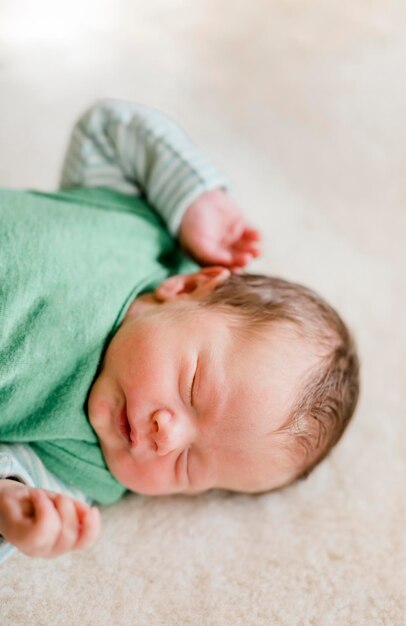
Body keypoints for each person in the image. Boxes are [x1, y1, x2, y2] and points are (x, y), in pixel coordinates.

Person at [0, 99, 359, 561]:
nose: (164, 437)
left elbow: (18, 484)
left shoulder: (82, 468)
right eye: (191, 387)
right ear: (188, 285)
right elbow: (107, 129)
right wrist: (195, 202)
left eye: (188, 466)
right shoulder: (143, 234)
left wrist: (13, 508)